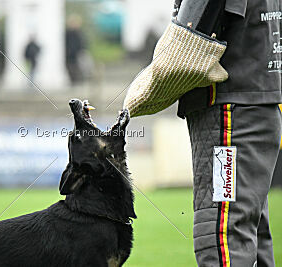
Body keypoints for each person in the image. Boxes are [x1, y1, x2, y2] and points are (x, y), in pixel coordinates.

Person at [123, 0, 281, 266]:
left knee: (222, 235)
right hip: (255, 100)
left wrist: (145, 91)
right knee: (250, 233)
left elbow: (189, 36)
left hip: (230, 112)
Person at [65, 14, 86, 85]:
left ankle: (77, 82)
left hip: (76, 55)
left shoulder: (79, 32)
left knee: (77, 69)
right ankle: (73, 83)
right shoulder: (67, 33)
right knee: (70, 68)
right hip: (69, 55)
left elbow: (82, 44)